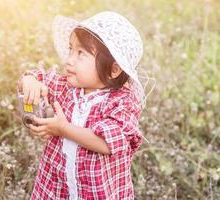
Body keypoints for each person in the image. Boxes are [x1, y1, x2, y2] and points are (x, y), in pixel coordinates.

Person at [18, 11, 146, 199]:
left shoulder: (121, 102)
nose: (69, 59)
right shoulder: (66, 87)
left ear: (113, 70)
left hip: (97, 193)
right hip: (56, 190)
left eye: (81, 54)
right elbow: (36, 76)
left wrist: (63, 129)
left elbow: (107, 144)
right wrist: (30, 82)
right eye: (71, 49)